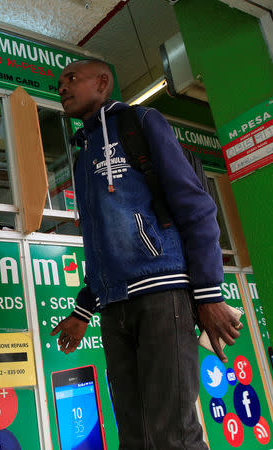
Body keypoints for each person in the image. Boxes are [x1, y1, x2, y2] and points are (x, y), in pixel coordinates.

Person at [51, 59, 243, 449]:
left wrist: (207, 293)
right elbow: (99, 242)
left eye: (72, 79)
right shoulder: (83, 153)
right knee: (135, 438)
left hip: (162, 297)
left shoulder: (140, 123)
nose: (62, 87)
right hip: (114, 307)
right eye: (59, 83)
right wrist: (82, 310)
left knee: (173, 435)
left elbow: (197, 206)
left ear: (103, 82)